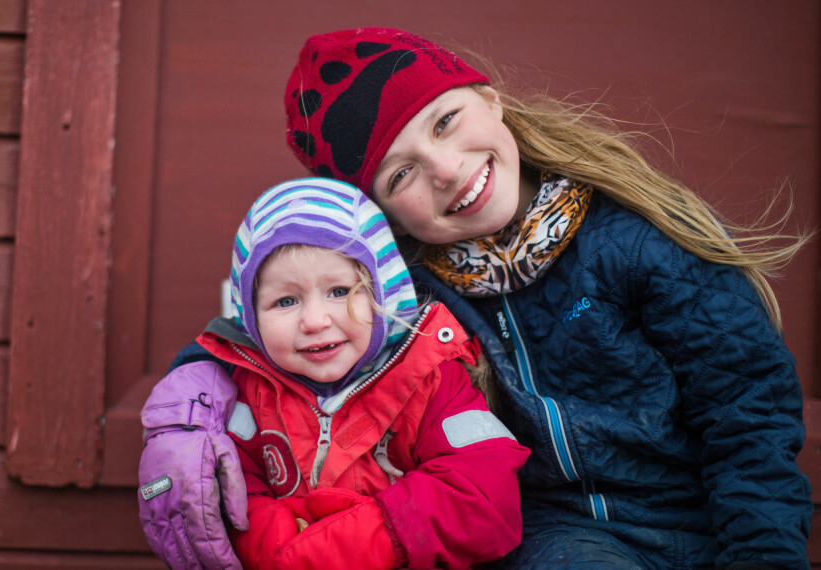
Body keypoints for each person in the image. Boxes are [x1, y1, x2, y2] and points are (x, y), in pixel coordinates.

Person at [139, 27, 813, 568]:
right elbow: (255, 331)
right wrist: (187, 412)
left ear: (488, 98)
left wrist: (761, 553)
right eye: (401, 172)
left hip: (704, 513)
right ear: (384, 216)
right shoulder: (401, 296)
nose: (447, 168)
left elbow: (745, 409)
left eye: (445, 121)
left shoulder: (635, 239)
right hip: (555, 534)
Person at [140, 177, 529, 569]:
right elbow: (233, 493)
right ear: (251, 319)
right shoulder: (248, 394)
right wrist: (272, 543)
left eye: (340, 291)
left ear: (384, 292)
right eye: (285, 300)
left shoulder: (430, 379)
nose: (314, 320)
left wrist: (368, 537)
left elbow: (485, 494)